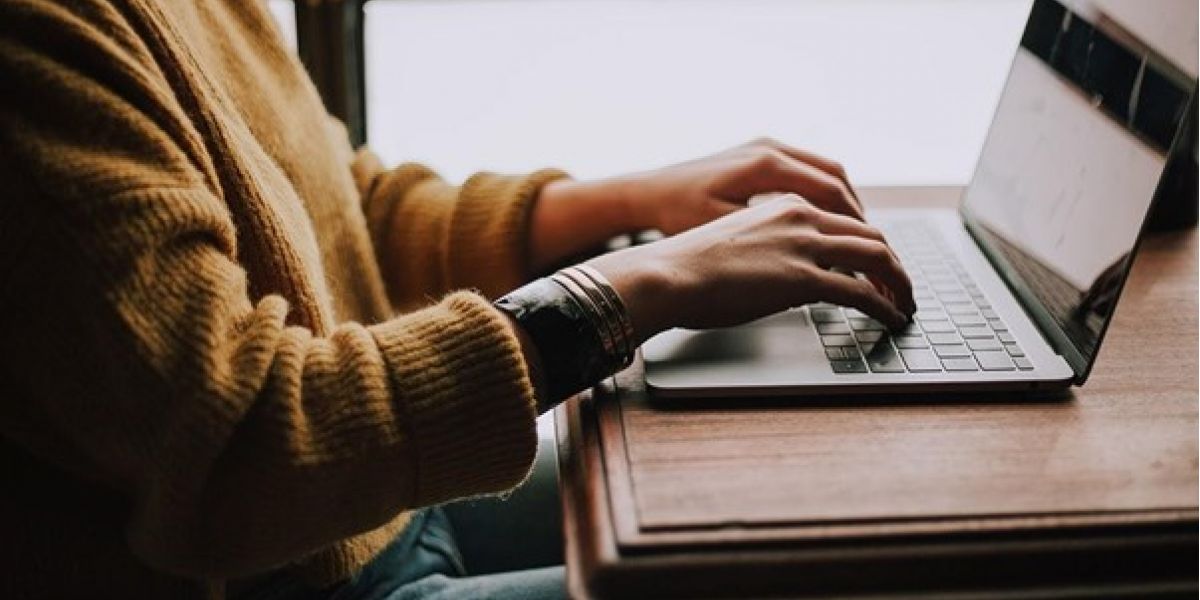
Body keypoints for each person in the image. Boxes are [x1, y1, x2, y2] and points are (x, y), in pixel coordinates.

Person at [0, 1, 914, 598]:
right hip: (287, 571)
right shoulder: (33, 40)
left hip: (374, 512)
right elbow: (242, 447)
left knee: (827, 514)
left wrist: (631, 202)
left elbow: (340, 208)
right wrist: (639, 285)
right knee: (837, 580)